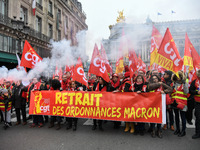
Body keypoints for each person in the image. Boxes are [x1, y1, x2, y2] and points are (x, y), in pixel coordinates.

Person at [171, 71, 188, 137]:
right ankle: (177, 129)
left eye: (179, 76)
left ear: (181, 76)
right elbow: (171, 92)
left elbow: (186, 92)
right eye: (177, 76)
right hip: (175, 103)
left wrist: (185, 85)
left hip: (182, 103)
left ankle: (183, 131)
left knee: (183, 117)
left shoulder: (184, 83)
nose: (178, 78)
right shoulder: (174, 83)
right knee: (176, 117)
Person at [189, 70, 200, 139]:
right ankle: (197, 133)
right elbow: (190, 91)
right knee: (198, 118)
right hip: (198, 103)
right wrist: (196, 92)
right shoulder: (195, 82)